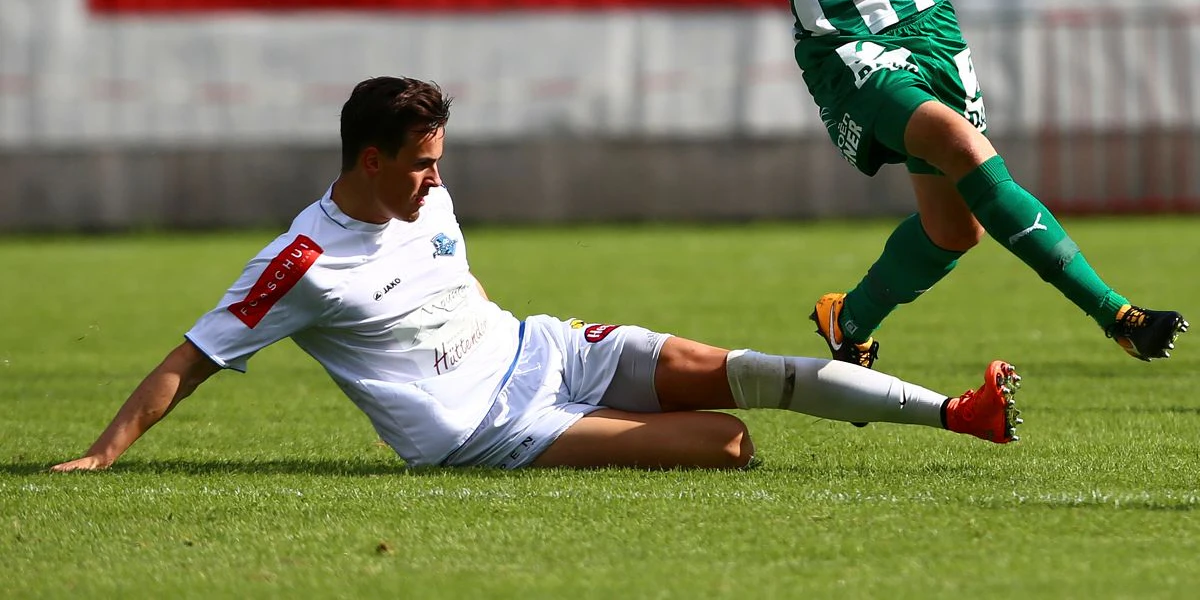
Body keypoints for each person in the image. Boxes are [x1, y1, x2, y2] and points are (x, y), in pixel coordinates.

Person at [52, 77, 1023, 473]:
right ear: (369, 160)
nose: (439, 178)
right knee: (727, 443)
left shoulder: (424, 194)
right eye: (423, 161)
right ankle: (619, 433)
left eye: (440, 158)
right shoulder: (301, 262)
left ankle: (955, 413)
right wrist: (102, 454)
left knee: (743, 368)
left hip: (539, 347)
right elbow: (195, 354)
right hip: (486, 425)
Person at [788, 0, 1188, 373]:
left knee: (954, 231)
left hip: (933, 28)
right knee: (966, 150)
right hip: (847, 40)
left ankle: (849, 319)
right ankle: (1116, 315)